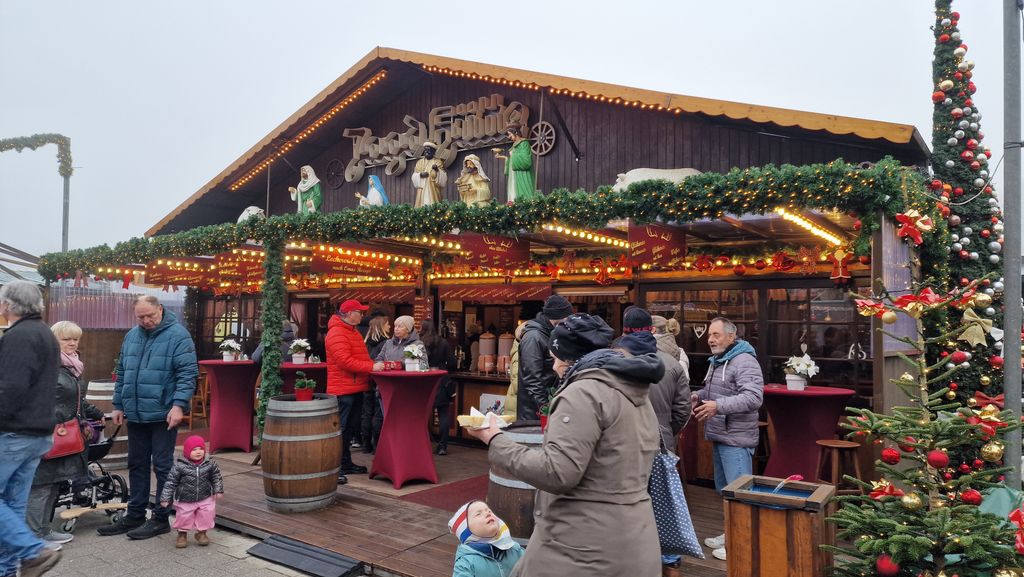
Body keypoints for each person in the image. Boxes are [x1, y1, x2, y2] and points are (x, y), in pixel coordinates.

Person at [468, 313, 663, 576]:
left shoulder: (582, 393)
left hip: (583, 545)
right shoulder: (633, 389)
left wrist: (494, 439)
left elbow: (557, 472)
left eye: (555, 358)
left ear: (571, 358)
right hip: (633, 537)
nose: (554, 367)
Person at [99, 295, 198, 540]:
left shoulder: (178, 336)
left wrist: (179, 405)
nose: (145, 321)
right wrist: (118, 404)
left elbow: (187, 373)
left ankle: (161, 519)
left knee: (163, 466)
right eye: (140, 317)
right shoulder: (131, 336)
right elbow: (123, 371)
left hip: (163, 413)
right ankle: (135, 514)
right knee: (136, 463)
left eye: (150, 316)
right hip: (136, 412)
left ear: (160, 309)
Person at [616, 319, 691, 575]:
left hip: (626, 444)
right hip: (661, 442)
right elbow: (682, 410)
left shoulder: (616, 361)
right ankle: (670, 562)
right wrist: (668, 431)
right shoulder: (672, 363)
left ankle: (633, 558)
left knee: (630, 501)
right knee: (664, 503)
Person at [0, 281, 62, 577]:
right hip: (37, 434)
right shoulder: (45, 333)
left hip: (14, 433)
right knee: (12, 508)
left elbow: (10, 389)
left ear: (8, 305)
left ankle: (33, 551)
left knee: (9, 507)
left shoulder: (19, 336)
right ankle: (7, 569)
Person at [26, 322, 106, 546]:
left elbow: (75, 400)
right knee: (40, 486)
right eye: (66, 339)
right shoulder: (45, 365)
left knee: (53, 484)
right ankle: (32, 539)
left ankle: (44, 531)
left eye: (75, 339)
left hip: (64, 435)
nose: (72, 343)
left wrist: (95, 413)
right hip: (46, 434)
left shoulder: (70, 366)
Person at [691, 317, 763, 562]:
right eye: (709, 335)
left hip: (737, 439)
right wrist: (698, 396)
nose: (710, 339)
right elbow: (718, 392)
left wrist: (718, 406)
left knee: (739, 493)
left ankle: (741, 543)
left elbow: (753, 398)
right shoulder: (721, 360)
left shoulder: (744, 361)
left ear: (731, 337)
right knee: (726, 491)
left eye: (716, 335)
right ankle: (730, 532)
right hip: (721, 435)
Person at [326, 300, 384, 485]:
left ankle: (345, 463)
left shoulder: (352, 331)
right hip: (344, 389)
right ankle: (336, 468)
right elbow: (345, 361)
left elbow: (360, 358)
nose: (362, 315)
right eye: (360, 312)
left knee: (349, 429)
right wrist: (372, 367)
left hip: (355, 387)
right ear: (350, 314)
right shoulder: (337, 332)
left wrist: (372, 365)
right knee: (341, 430)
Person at [515, 295, 573, 422]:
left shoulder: (550, 333)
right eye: (568, 316)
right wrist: (546, 410)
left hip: (543, 409)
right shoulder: (533, 337)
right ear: (560, 316)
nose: (569, 321)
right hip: (533, 414)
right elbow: (532, 380)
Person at [159, 435, 223, 549]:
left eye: (201, 449)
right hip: (185, 498)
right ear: (187, 451)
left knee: (207, 514)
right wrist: (165, 498)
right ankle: (182, 534)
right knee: (184, 516)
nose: (198, 452)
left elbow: (216, 477)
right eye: (194, 449)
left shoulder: (210, 464)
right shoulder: (179, 466)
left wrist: (218, 490)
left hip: (205, 496)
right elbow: (170, 482)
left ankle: (202, 533)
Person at [448, 500, 525, 577]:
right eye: (478, 514)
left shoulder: (515, 549)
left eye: (489, 511)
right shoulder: (466, 562)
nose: (488, 514)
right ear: (466, 530)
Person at [419, 321, 456, 455]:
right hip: (441, 380)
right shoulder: (443, 342)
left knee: (421, 415)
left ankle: (422, 444)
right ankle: (442, 446)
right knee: (443, 414)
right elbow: (452, 362)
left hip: (424, 381)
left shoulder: (419, 343)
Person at [360, 315, 391, 453]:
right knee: (379, 412)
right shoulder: (386, 343)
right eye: (387, 324)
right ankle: (377, 446)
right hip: (379, 380)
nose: (389, 326)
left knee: (367, 413)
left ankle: (366, 444)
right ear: (381, 326)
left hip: (366, 379)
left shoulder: (365, 343)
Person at [492, 124, 536, 203]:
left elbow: (527, 161)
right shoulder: (514, 146)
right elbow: (512, 161)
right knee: (514, 194)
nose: (509, 137)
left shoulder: (524, 143)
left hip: (522, 175)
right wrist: (505, 158)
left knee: (524, 196)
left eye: (510, 134)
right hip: (514, 176)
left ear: (515, 132)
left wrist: (513, 154)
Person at [412, 141, 447, 207]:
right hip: (422, 190)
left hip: (433, 189)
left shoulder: (438, 162)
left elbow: (443, 179)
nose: (427, 152)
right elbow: (414, 176)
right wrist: (420, 175)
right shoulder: (419, 162)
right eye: (425, 150)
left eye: (429, 150)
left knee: (434, 206)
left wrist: (437, 170)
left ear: (433, 152)